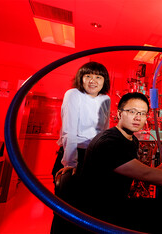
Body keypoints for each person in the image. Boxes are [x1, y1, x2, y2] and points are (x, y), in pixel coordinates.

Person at [76, 92, 162, 233]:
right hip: (101, 213)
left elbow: (133, 170)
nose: (138, 117)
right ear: (119, 114)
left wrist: (158, 169)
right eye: (132, 111)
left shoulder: (131, 140)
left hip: (117, 204)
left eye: (143, 113)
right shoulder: (108, 142)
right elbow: (145, 173)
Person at [51, 61, 111, 233]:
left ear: (104, 80)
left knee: (88, 211)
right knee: (66, 211)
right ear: (81, 78)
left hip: (93, 157)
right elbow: (69, 130)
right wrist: (70, 164)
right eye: (88, 76)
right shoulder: (73, 94)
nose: (93, 80)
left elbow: (103, 131)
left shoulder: (105, 99)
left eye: (98, 77)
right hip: (73, 155)